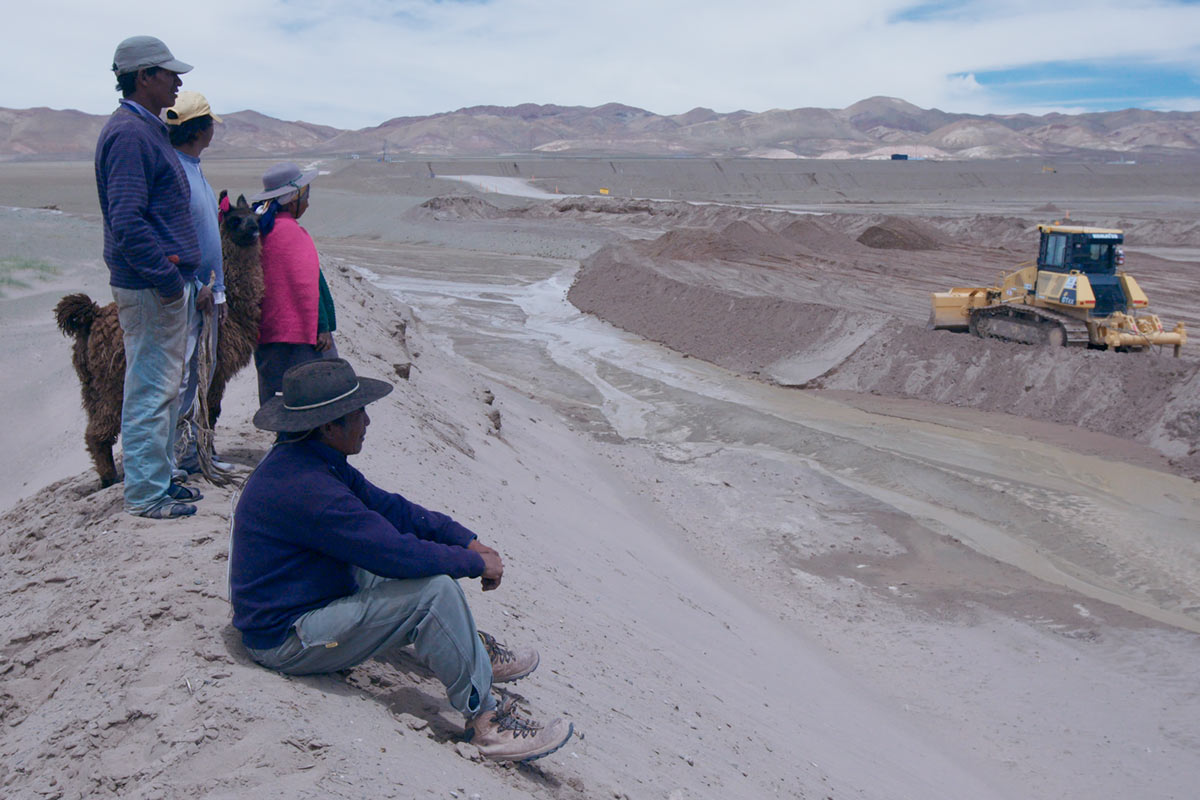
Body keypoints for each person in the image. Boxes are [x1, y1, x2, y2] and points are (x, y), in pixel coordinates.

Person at [229, 359, 574, 763]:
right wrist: (474, 563)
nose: (368, 422)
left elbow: (391, 509)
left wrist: (466, 540)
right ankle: (486, 722)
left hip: (307, 601)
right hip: (288, 640)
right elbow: (398, 556)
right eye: (359, 413)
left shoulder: (307, 458)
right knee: (434, 592)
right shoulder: (308, 488)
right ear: (329, 426)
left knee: (388, 562)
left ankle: (470, 652)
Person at [95, 35, 202, 519]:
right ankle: (145, 494)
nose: (178, 81)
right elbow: (127, 220)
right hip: (149, 287)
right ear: (143, 77)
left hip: (157, 284)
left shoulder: (146, 129)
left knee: (161, 387)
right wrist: (165, 277)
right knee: (150, 389)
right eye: (168, 73)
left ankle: (158, 479)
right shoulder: (131, 135)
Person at [164, 90, 234, 475]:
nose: (213, 130)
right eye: (210, 123)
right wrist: (196, 282)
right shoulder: (175, 172)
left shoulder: (192, 168)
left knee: (196, 376)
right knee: (182, 377)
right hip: (190, 292)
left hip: (206, 294)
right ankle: (174, 458)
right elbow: (175, 235)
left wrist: (219, 289)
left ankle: (190, 453)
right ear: (200, 128)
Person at [250, 162, 339, 407]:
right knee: (312, 398)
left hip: (268, 332)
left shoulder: (262, 231)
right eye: (306, 195)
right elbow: (306, 285)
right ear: (293, 199)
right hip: (301, 336)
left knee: (276, 397)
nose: (308, 203)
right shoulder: (290, 234)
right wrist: (321, 326)